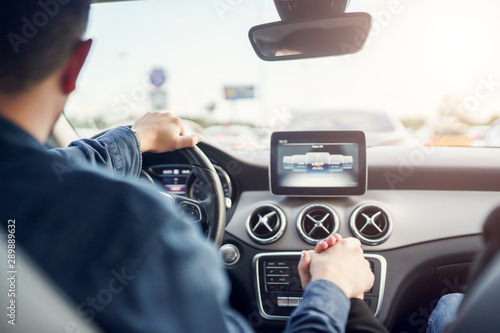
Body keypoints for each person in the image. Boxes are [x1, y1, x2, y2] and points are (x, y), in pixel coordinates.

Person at [0, 1, 376, 332]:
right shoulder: (138, 228)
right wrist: (333, 287)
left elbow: (42, 171)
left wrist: (134, 140)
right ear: (76, 64)